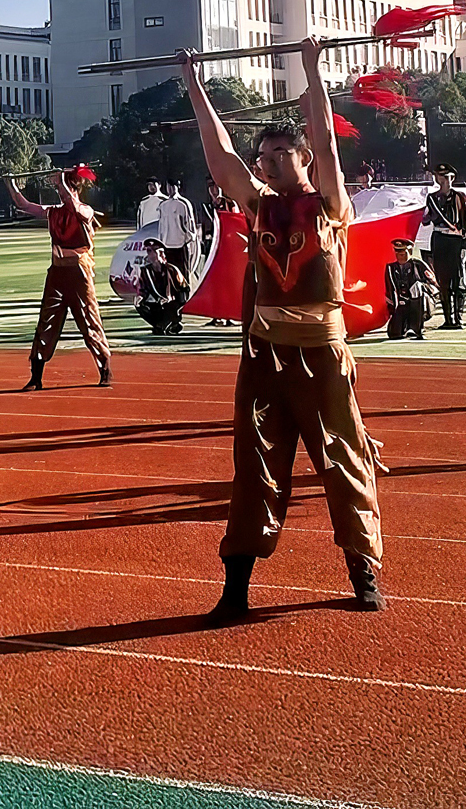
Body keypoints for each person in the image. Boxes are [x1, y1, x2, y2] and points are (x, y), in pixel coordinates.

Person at [179, 39, 384, 616]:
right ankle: (235, 589)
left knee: (343, 460)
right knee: (254, 466)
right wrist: (194, 83)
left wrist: (312, 70)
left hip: (321, 353)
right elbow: (221, 159)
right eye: (263, 156)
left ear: (302, 157)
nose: (266, 163)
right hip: (265, 356)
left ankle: (363, 572)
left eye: (277, 154)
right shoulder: (259, 205)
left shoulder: (330, 204)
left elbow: (326, 141)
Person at [7, 168, 112, 391]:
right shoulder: (54, 212)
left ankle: (104, 368)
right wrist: (11, 185)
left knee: (89, 321)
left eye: (63, 189)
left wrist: (62, 180)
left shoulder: (85, 210)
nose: (59, 193)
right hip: (57, 273)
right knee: (46, 322)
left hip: (79, 273)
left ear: (73, 189)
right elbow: (25, 206)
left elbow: (73, 206)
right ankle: (36, 376)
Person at [424, 165, 466, 330]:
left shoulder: (460, 196)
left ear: (452, 178)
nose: (442, 180)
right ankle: (448, 319)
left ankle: (458, 318)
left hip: (456, 240)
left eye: (446, 177)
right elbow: (425, 220)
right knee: (443, 280)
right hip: (440, 239)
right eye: (439, 176)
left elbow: (465, 219)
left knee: (459, 279)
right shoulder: (432, 198)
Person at [384, 238, 435, 341]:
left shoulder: (418, 264)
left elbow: (433, 283)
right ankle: (404, 327)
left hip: (419, 301)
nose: (400, 255)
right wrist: (395, 304)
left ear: (410, 251)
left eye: (403, 251)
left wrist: (421, 288)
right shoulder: (391, 268)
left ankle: (417, 329)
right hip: (401, 302)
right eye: (397, 251)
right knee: (395, 334)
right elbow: (390, 288)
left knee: (417, 287)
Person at [135, 237, 189, 335]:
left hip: (172, 303)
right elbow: (143, 288)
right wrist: (140, 296)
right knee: (141, 305)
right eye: (148, 251)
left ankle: (170, 322)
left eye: (153, 251)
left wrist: (173, 299)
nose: (150, 255)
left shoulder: (172, 270)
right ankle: (162, 324)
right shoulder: (146, 271)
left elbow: (184, 288)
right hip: (158, 302)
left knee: (170, 306)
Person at [155, 181, 200, 284]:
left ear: (177, 187)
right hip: (167, 245)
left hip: (180, 245)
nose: (170, 189)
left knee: (183, 273)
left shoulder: (183, 204)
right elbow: (161, 226)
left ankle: (185, 292)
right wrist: (161, 242)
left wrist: (187, 239)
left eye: (172, 186)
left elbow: (189, 224)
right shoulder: (163, 205)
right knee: (170, 274)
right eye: (168, 186)